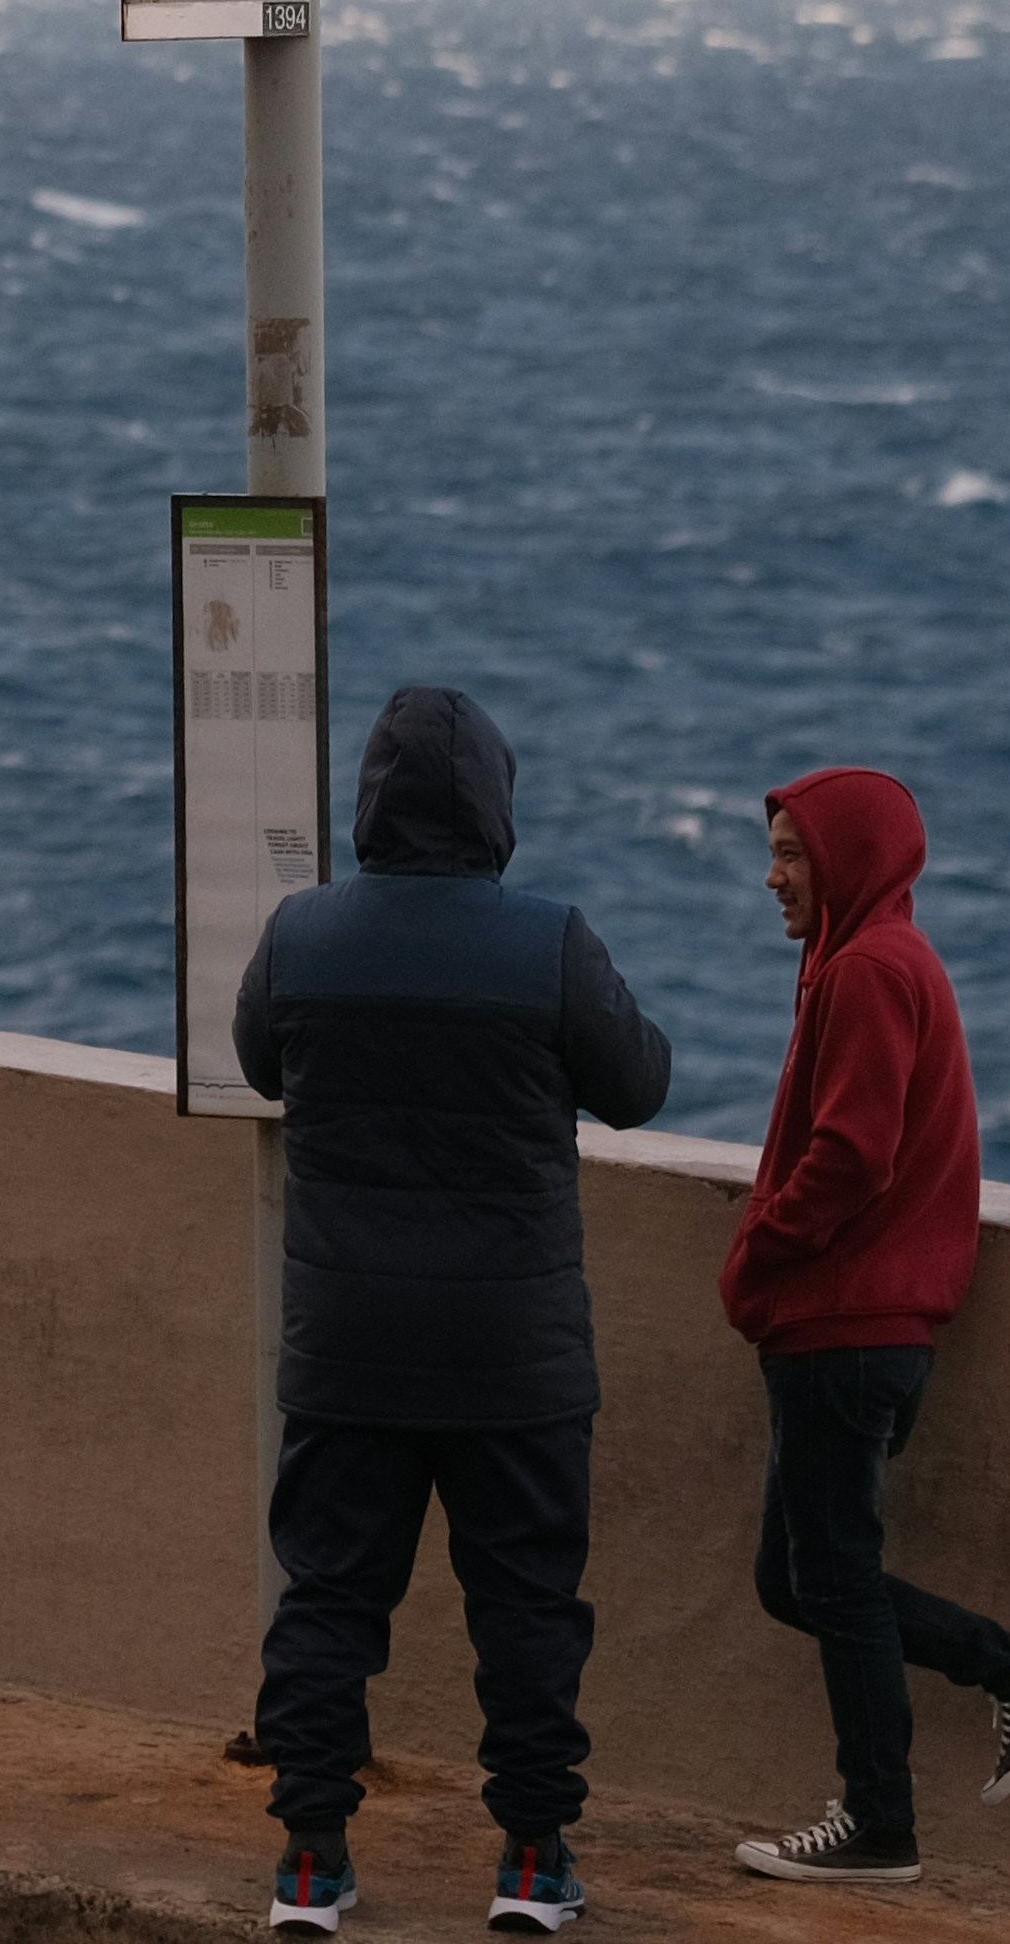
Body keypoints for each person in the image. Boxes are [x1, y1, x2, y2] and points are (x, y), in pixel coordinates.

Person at [233, 685, 671, 1939]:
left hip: (349, 1344)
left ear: (370, 802)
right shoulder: (548, 940)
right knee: (528, 1603)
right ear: (495, 803)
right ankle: (534, 1858)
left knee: (326, 1597)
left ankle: (313, 1861)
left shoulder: (303, 934)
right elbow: (638, 1083)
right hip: (512, 1352)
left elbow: (262, 1060)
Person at [721, 766, 1010, 1885]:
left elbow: (851, 1153)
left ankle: (883, 1820)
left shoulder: (873, 970)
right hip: (848, 1328)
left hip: (845, 1328)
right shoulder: (866, 961)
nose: (774, 873)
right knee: (795, 1577)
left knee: (830, 1574)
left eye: (794, 852)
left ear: (846, 859)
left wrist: (757, 1252)